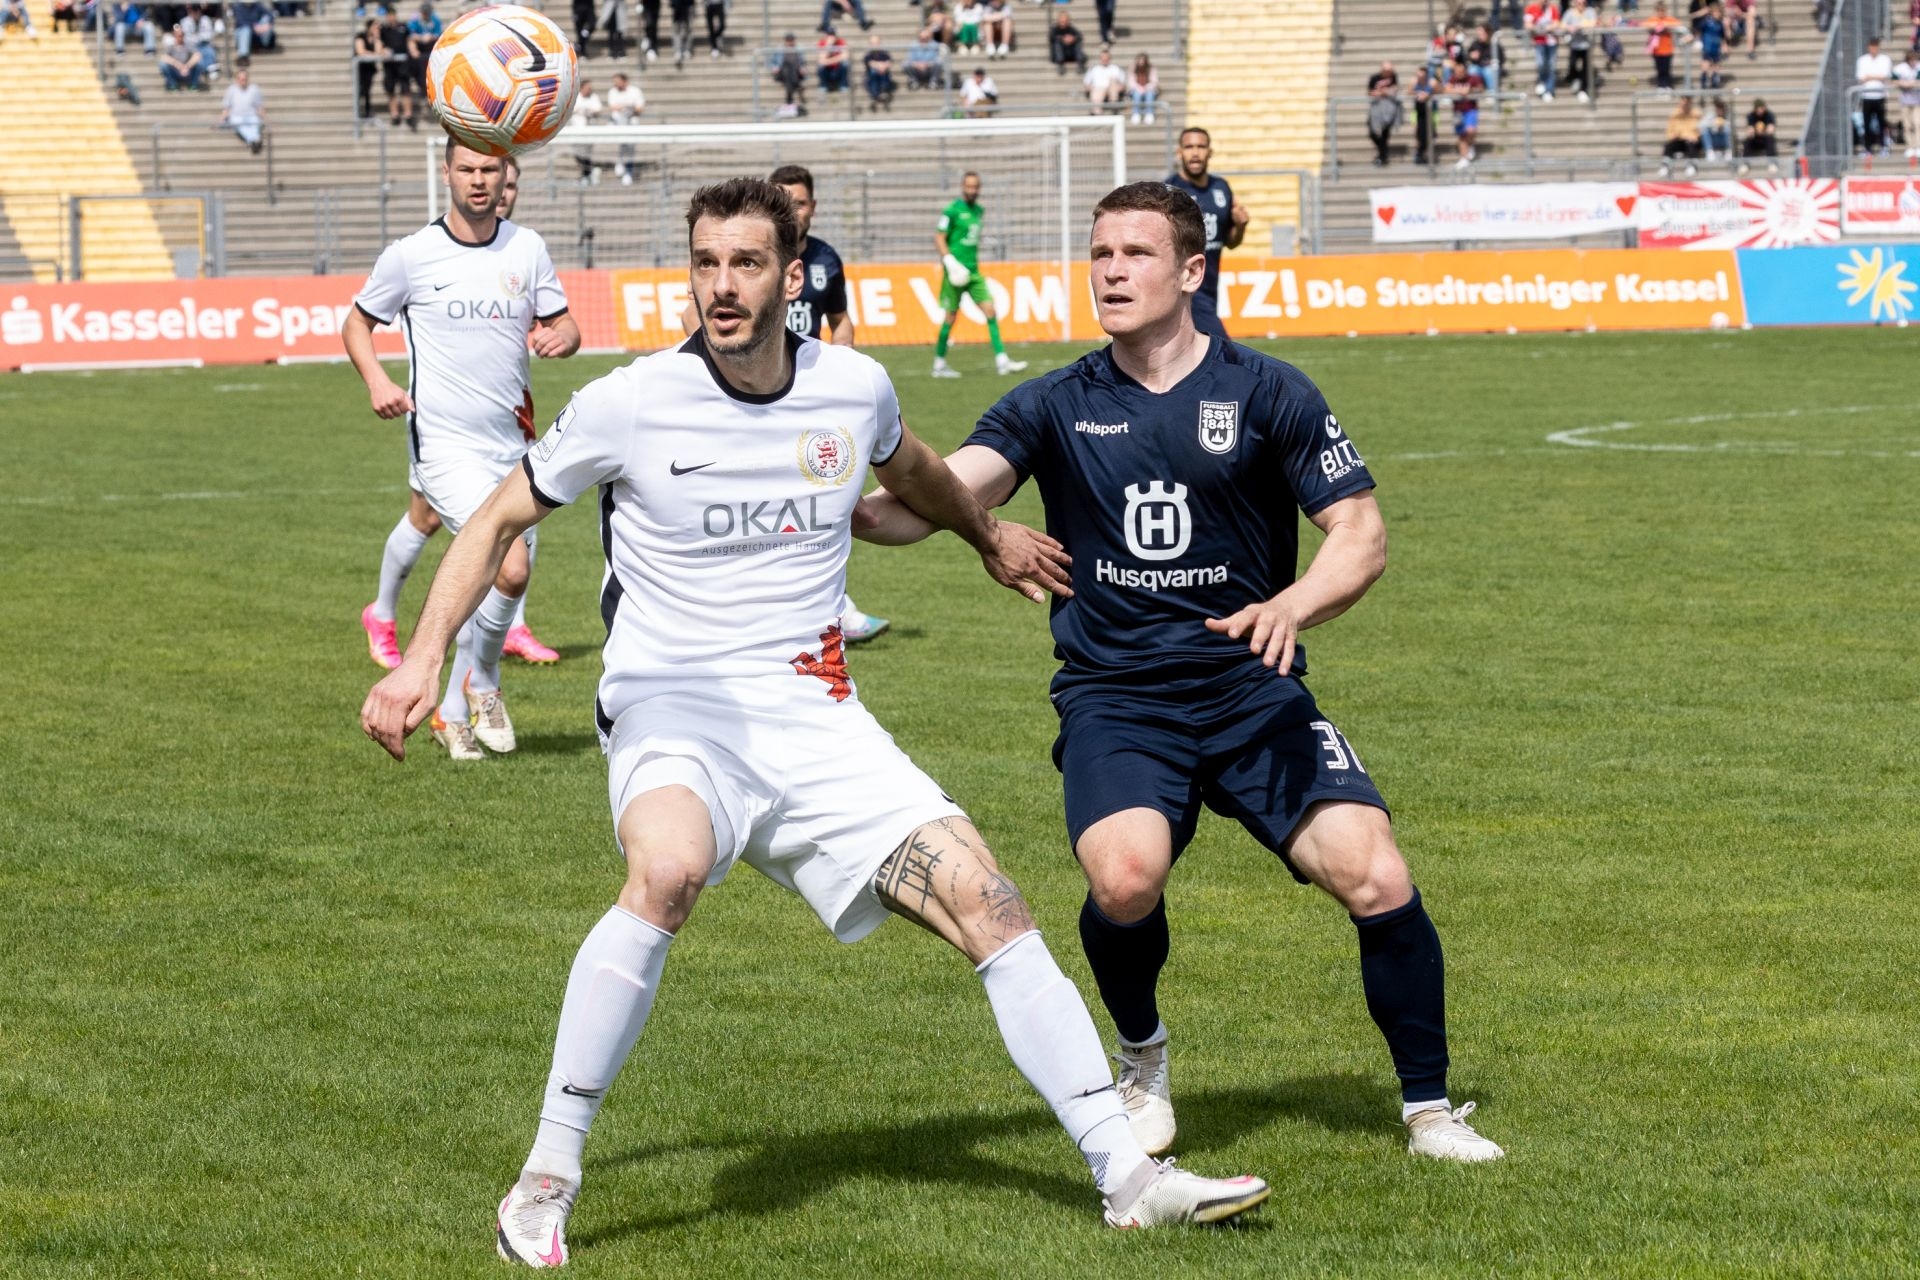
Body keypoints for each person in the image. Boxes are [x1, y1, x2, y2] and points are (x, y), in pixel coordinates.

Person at [360, 177, 1273, 1267]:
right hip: (673, 706)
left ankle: (1128, 1178)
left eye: (746, 264)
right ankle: (547, 1176)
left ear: (792, 277)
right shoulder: (631, 401)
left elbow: (917, 470)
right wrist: (424, 658)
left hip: (816, 713)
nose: (721, 285)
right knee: (668, 870)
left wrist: (986, 535)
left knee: (990, 901)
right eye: (705, 263)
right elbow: (497, 515)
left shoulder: (851, 387)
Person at [855, 180, 1506, 1170]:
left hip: (1252, 690)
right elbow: (913, 507)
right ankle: (1142, 1057)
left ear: (1193, 271)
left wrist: (1293, 605)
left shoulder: (1268, 391)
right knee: (1124, 880)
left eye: (1136, 253)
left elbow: (1360, 532)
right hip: (1117, 696)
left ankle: (1430, 1111)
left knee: (1375, 872)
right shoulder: (1054, 402)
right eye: (1100, 253)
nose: (1111, 271)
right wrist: (844, 471)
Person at [345, 140, 580, 760]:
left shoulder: (527, 248)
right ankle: (485, 681)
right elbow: (357, 322)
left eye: (489, 170)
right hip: (445, 446)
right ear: (446, 172)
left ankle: (453, 709)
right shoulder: (411, 255)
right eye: (467, 169)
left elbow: (565, 323)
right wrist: (377, 382)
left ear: (505, 176)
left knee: (497, 576)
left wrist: (563, 337)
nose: (478, 180)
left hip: (515, 441)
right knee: (508, 566)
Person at [932, 171, 1027, 378]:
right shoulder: (951, 210)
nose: (972, 190)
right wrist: (949, 261)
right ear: (962, 186)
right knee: (950, 317)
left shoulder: (978, 211)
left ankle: (1002, 361)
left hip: (973, 272)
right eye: (968, 186)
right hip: (955, 272)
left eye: (975, 187)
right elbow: (939, 238)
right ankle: (939, 364)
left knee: (990, 311)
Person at [1163, 127, 1247, 342]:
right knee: (1223, 348)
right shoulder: (1169, 191)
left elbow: (1230, 242)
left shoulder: (1221, 188)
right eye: (1189, 147)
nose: (1195, 153)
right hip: (1185, 287)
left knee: (1196, 351)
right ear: (1179, 152)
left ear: (1210, 152)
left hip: (1209, 286)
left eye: (1201, 147)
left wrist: (1240, 226)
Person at [606, 71, 645, 184]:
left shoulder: (635, 91)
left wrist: (626, 108)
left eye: (617, 81)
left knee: (630, 146)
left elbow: (639, 108)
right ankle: (621, 162)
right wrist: (627, 106)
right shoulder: (613, 92)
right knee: (623, 143)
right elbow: (613, 107)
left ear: (624, 81)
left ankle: (628, 170)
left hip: (632, 122)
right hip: (618, 122)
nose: (615, 84)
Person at [380, 8, 416, 129]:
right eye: (389, 15)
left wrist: (413, 50)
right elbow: (379, 43)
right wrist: (383, 50)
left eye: (392, 15)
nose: (391, 18)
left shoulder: (403, 27)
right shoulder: (383, 29)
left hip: (403, 63)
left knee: (405, 89)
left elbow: (409, 40)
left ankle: (408, 114)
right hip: (389, 64)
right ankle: (394, 115)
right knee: (391, 90)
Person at [1445, 58, 1484, 169]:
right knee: (1461, 135)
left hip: (1470, 109)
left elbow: (1481, 89)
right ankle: (1463, 158)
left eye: (1461, 72)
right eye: (1457, 72)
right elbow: (1446, 89)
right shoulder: (1453, 79)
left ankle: (1470, 145)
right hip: (1458, 111)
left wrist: (1470, 90)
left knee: (1470, 130)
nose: (1459, 74)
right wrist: (1458, 91)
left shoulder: (1473, 78)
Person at [218, 65, 267, 152]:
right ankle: (254, 140)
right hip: (237, 116)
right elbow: (226, 109)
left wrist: (266, 120)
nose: (243, 81)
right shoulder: (231, 90)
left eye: (244, 79)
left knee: (255, 123)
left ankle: (252, 141)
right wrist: (220, 121)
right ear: (237, 79)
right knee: (239, 124)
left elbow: (259, 107)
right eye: (241, 79)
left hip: (251, 115)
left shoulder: (254, 89)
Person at [1858, 37, 1893, 155]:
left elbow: (1885, 75)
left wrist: (1870, 77)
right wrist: (1876, 76)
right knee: (1866, 123)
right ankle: (1868, 147)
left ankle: (1884, 146)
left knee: (1881, 122)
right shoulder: (1862, 60)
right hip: (1867, 96)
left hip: (1880, 95)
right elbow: (1861, 77)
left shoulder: (1885, 59)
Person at [1644, 2, 1688, 93]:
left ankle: (1667, 85)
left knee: (1667, 68)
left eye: (1663, 11)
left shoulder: (1669, 19)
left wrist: (1665, 26)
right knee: (1659, 69)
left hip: (1667, 49)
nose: (1661, 13)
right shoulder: (1653, 20)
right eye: (1659, 11)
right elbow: (1645, 25)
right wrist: (1656, 26)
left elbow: (1678, 24)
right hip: (1656, 49)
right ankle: (1661, 85)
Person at [1523, 0, 1560, 101]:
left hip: (1552, 41)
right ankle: (1542, 81)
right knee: (1541, 63)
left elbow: (1556, 23)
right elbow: (1528, 25)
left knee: (1551, 66)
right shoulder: (1531, 9)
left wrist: (1547, 28)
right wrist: (1538, 28)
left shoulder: (1552, 9)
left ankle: (1549, 90)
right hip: (1539, 41)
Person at [1366, 61, 1401, 167]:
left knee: (1385, 134)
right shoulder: (1374, 78)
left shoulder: (1393, 77)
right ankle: (1383, 153)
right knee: (1372, 132)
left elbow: (1394, 90)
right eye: (1387, 71)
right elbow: (1370, 92)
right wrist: (1383, 92)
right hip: (1377, 109)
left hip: (1389, 109)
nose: (1389, 73)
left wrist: (1383, 92)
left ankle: (1382, 156)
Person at [571, 78, 604, 183]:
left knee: (587, 153)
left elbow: (598, 109)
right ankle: (589, 172)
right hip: (577, 130)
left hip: (589, 130)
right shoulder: (576, 98)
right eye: (587, 88)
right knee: (577, 152)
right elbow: (571, 110)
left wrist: (589, 111)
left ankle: (587, 174)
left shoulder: (594, 97)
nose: (590, 89)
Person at [1660, 94, 1702, 174]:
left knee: (1691, 144)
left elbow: (1700, 129)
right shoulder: (1674, 115)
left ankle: (1692, 165)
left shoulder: (1697, 114)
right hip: (1679, 140)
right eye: (1683, 102)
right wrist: (1673, 136)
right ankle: (1665, 165)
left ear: (1690, 103)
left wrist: (1694, 136)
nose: (1684, 105)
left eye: (1686, 103)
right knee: (1668, 145)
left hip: (1692, 141)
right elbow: (1669, 131)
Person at [407, 1, 442, 94]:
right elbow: (411, 35)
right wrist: (421, 38)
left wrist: (430, 37)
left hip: (430, 47)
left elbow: (437, 34)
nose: (426, 15)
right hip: (419, 47)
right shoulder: (415, 19)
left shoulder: (435, 19)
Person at [1563, 0, 1595, 100]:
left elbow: (1593, 23)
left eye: (1583, 3)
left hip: (1586, 45)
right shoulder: (1570, 12)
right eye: (1579, 3)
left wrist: (1579, 26)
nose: (1581, 5)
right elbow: (1563, 24)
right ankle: (1576, 79)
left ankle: (1583, 89)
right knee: (1572, 65)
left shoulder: (1590, 11)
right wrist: (1569, 27)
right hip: (1575, 45)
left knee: (1586, 69)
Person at [1738, 94, 1778, 173]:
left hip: (1765, 138)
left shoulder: (1769, 115)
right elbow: (1750, 130)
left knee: (1770, 139)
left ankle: (1772, 163)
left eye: (1761, 108)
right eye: (1758, 108)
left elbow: (1771, 130)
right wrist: (1754, 131)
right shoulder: (1751, 116)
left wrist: (1763, 131)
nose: (1760, 111)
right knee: (1747, 140)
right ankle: (1745, 164)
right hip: (1755, 139)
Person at [160, 23, 204, 89]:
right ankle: (172, 84)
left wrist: (187, 66)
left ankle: (193, 84)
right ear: (174, 35)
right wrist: (179, 65)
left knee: (200, 63)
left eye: (182, 35)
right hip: (175, 71)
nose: (180, 37)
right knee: (163, 64)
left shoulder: (188, 45)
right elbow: (164, 57)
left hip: (187, 71)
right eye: (178, 35)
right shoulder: (170, 46)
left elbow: (197, 55)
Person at [1083, 47, 1126, 113]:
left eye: (1106, 58)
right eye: (1103, 57)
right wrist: (1091, 88)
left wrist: (1119, 87)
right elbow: (1086, 83)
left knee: (1113, 82)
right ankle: (1097, 112)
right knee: (1097, 90)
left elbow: (1122, 84)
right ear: (1100, 58)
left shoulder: (1115, 68)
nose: (1104, 59)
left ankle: (1114, 107)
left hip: (1112, 90)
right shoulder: (1094, 69)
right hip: (1098, 89)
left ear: (1109, 58)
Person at [1897, 47, 1920, 162]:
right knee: (1907, 125)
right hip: (1905, 101)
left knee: (1917, 124)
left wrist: (1908, 84)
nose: (1913, 62)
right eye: (1911, 59)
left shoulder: (1918, 67)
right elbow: (1894, 80)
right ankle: (1910, 146)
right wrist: (1907, 84)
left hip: (1917, 101)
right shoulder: (1901, 68)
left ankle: (1918, 146)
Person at [353, 19, 380, 118]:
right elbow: (360, 51)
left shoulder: (376, 38)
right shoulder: (361, 36)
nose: (376, 29)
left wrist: (377, 38)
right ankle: (358, 111)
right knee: (360, 90)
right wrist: (373, 54)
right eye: (374, 27)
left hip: (370, 68)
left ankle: (367, 110)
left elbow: (378, 51)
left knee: (367, 90)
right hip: (360, 68)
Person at [1696, 1, 1725, 89]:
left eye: (1719, 12)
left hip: (1716, 47)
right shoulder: (1706, 22)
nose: (1717, 14)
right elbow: (1698, 29)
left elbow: (1722, 36)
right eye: (1716, 12)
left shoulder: (1720, 24)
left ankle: (1714, 81)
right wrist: (1698, 40)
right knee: (1706, 63)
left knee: (1716, 65)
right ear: (1712, 12)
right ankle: (1704, 80)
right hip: (1707, 47)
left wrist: (1724, 46)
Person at [1047, 6, 1084, 73]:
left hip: (1070, 53)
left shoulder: (1071, 28)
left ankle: (1080, 64)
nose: (1063, 23)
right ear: (1059, 20)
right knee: (1057, 43)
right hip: (1059, 55)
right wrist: (1063, 39)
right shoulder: (1054, 29)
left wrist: (1072, 38)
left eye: (1065, 21)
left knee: (1077, 42)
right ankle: (1060, 65)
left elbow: (1080, 36)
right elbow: (1052, 37)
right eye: (1062, 21)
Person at [1411, 63, 1436, 164]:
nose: (1420, 78)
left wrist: (1428, 94)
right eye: (1419, 76)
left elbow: (1440, 90)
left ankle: (1426, 153)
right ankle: (1419, 152)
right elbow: (1408, 92)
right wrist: (1418, 93)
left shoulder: (1432, 82)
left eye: (1422, 76)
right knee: (1418, 133)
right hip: (1418, 110)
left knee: (1430, 133)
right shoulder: (1413, 82)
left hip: (1431, 110)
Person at [817, 24, 849, 92]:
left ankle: (843, 85)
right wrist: (828, 46)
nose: (831, 37)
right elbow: (821, 60)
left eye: (833, 34)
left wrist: (828, 61)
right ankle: (823, 86)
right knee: (821, 66)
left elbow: (845, 56)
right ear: (826, 35)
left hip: (837, 70)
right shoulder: (822, 43)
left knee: (845, 64)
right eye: (829, 34)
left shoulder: (841, 42)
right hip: (827, 71)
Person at [1128, 52, 1158, 124]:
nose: (1141, 62)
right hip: (1136, 89)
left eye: (1143, 60)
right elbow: (1131, 82)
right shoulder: (1133, 68)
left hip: (1148, 89)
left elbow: (1154, 81)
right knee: (1136, 94)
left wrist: (1146, 87)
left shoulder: (1151, 68)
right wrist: (1139, 88)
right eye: (1140, 60)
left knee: (1150, 94)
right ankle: (1136, 113)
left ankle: (1149, 113)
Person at [1702, 95, 1731, 159]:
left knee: (1728, 130)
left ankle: (1728, 151)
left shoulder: (1728, 116)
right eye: (1718, 109)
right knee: (1705, 131)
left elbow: (1731, 126)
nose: (1720, 111)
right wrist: (1713, 125)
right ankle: (1709, 151)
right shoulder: (1711, 116)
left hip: (1723, 140)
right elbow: (1701, 125)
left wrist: (1723, 126)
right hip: (1714, 139)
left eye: (1721, 109)